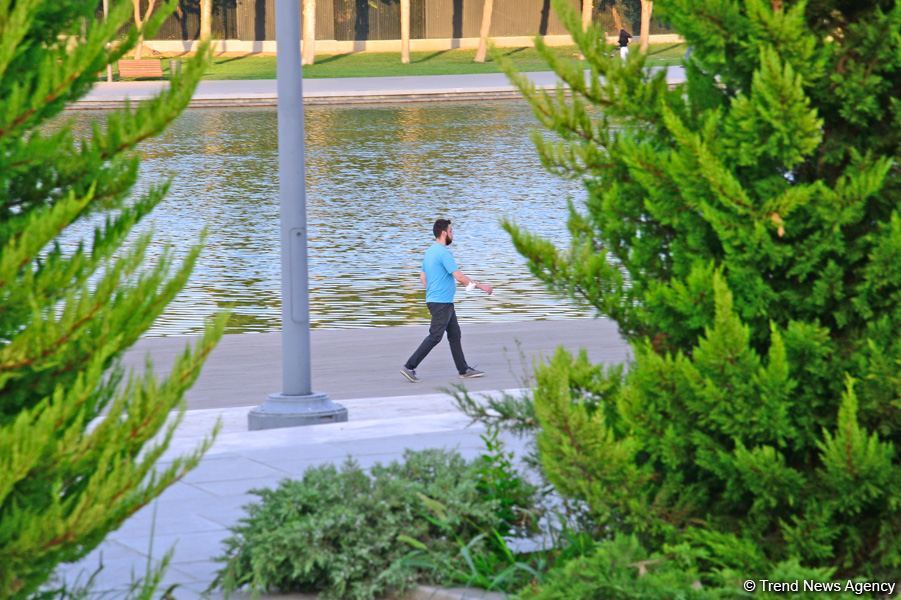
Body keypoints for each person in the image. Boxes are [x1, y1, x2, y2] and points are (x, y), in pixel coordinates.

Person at [401, 219, 493, 383]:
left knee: (454, 334)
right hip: (441, 303)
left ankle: (463, 369)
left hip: (440, 301)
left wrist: (432, 290)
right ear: (444, 233)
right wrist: (482, 286)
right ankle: (409, 366)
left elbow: (423, 276)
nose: (452, 234)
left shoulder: (430, 252)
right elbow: (459, 276)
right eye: (451, 231)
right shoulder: (443, 253)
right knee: (435, 336)